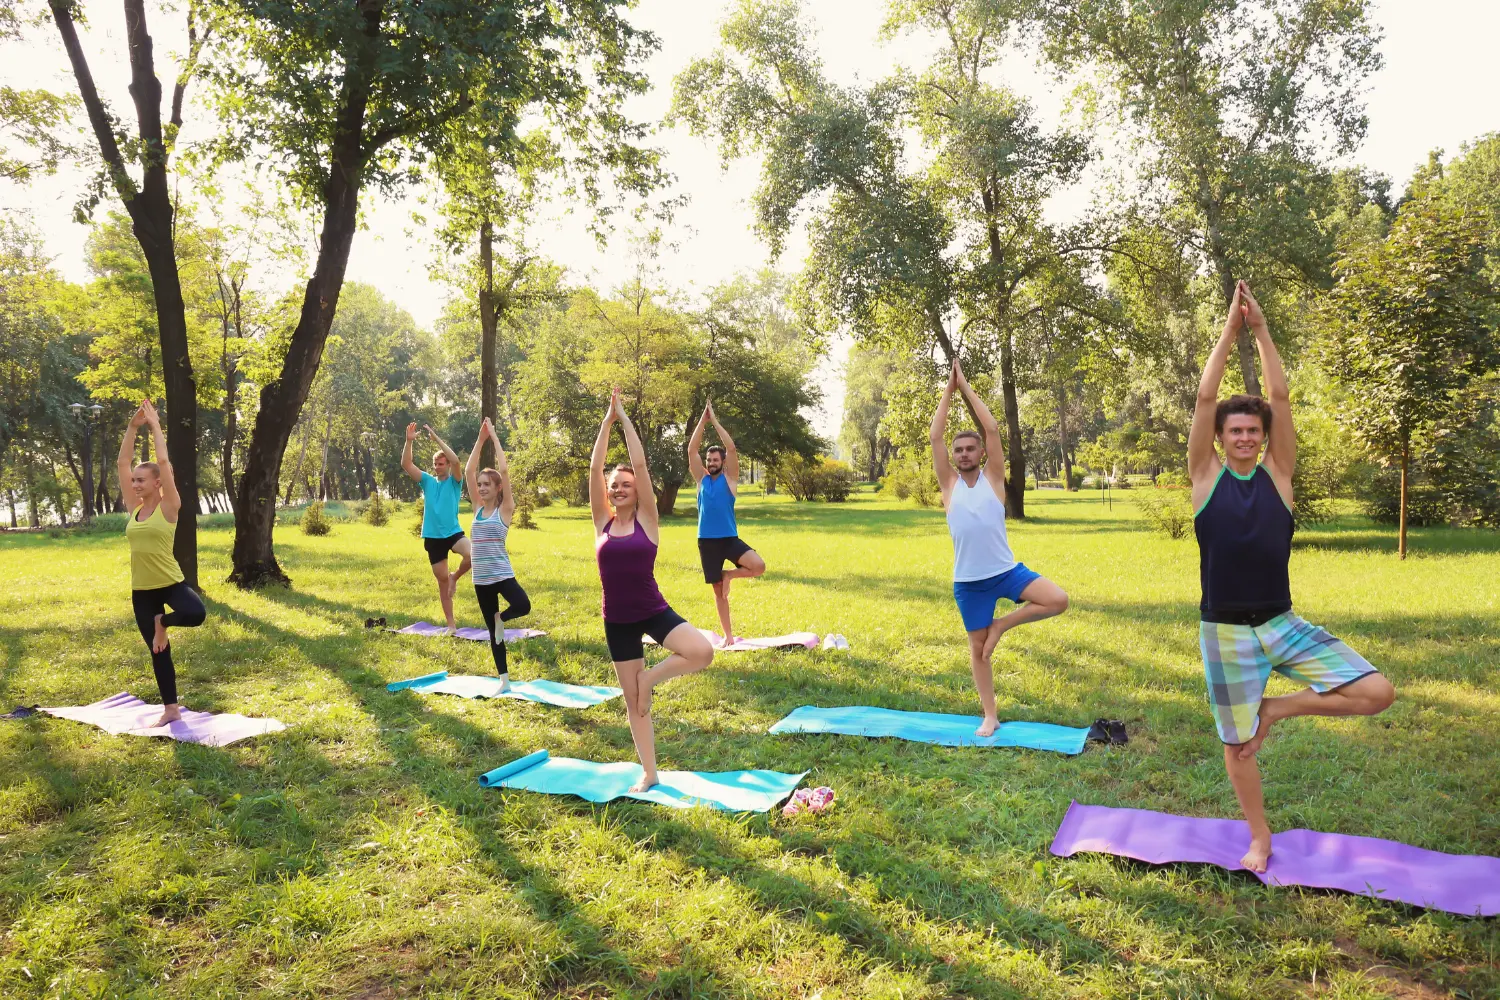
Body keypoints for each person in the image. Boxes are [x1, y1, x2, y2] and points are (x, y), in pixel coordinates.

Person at [1190, 280, 1396, 873]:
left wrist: (1261, 330)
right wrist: (1230, 330)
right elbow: (1205, 401)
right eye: (1236, 430)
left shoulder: (1279, 476)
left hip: (1281, 623)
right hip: (1225, 632)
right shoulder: (1206, 479)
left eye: (1254, 429)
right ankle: (1260, 838)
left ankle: (1276, 710)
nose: (1246, 436)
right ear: (1222, 438)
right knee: (1236, 745)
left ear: (1264, 436)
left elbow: (1278, 395)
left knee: (1376, 692)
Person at [931, 360, 1069, 737]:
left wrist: (966, 387)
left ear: (981, 453)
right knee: (979, 652)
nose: (961, 454)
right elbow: (935, 437)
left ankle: (1002, 626)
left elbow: (991, 427)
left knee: (1057, 599)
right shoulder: (949, 485)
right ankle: (990, 715)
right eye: (958, 450)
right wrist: (948, 389)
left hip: (1006, 572)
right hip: (969, 582)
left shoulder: (994, 479)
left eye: (969, 449)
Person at [591, 388, 715, 792]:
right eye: (615, 485)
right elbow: (594, 470)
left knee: (702, 652)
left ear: (637, 490)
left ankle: (649, 680)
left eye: (626, 483)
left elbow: (641, 464)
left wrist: (623, 418)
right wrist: (605, 425)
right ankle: (650, 772)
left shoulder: (648, 520)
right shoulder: (602, 524)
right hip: (617, 621)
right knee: (633, 705)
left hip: (651, 610)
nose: (619, 488)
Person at [118, 400, 206, 727]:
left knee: (196, 613)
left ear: (157, 483)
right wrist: (132, 427)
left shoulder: (169, 507)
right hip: (142, 592)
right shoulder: (133, 508)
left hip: (170, 583)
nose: (135, 484)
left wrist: (155, 426)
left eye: (142, 480)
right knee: (159, 654)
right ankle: (171, 709)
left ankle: (163, 623)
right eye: (134, 481)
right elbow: (123, 461)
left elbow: (165, 461)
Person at [687, 400, 766, 646]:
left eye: (715, 460)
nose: (711, 463)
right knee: (718, 593)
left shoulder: (730, 480)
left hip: (729, 539)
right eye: (709, 460)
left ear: (722, 462)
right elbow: (691, 451)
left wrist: (715, 421)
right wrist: (702, 420)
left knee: (758, 566)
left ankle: (729, 574)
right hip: (707, 542)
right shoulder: (701, 479)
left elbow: (731, 449)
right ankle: (728, 637)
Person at [462, 417, 530, 690]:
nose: (481, 488)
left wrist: (496, 438)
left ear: (497, 488)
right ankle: (504, 681)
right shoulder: (477, 508)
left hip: (501, 575)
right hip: (481, 579)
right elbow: (468, 470)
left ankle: (502, 618)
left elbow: (504, 468)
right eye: (479, 485)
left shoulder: (505, 510)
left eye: (487, 485)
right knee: (494, 634)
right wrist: (480, 440)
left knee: (523, 605)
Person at [402, 421, 471, 634]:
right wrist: (408, 441)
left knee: (472, 554)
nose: (439, 467)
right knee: (441, 580)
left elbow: (457, 461)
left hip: (453, 533)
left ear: (447, 466)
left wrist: (436, 438)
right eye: (437, 464)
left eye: (442, 463)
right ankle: (451, 625)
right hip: (432, 537)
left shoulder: (455, 482)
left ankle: (455, 576)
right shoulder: (427, 482)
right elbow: (406, 464)